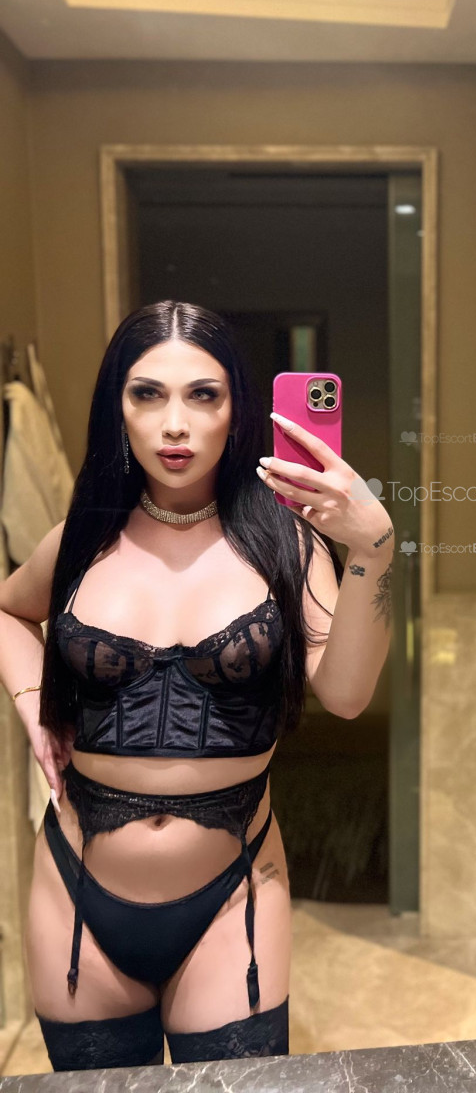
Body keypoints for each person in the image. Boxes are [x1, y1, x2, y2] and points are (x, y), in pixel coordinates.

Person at [0, 300, 394, 1071]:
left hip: (233, 897)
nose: (174, 424)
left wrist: (373, 550)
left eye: (203, 395)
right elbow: (10, 612)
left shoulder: (286, 545)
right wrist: (31, 704)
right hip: (76, 895)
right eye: (147, 394)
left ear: (236, 409)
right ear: (116, 406)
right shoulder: (81, 536)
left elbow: (346, 695)